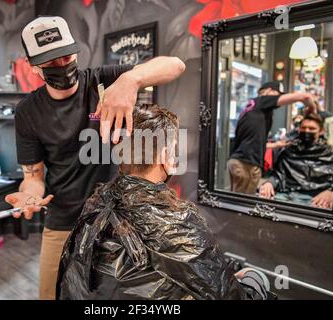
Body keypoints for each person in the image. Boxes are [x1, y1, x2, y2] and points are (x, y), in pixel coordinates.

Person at [4, 16, 186, 300]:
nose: (62, 65)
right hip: (63, 221)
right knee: (51, 294)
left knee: (113, 297)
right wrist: (28, 195)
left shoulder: (103, 81)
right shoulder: (28, 112)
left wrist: (131, 79)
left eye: (65, 56)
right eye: (50, 62)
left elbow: (176, 65)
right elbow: (33, 178)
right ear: (33, 66)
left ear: (75, 52)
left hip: (117, 218)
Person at [57, 104, 270, 300]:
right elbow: (227, 294)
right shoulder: (176, 223)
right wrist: (251, 280)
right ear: (166, 156)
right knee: (256, 277)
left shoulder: (96, 203)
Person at [227, 81, 317, 195]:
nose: (278, 99)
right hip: (247, 164)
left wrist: (276, 145)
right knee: (242, 206)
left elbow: (252, 141)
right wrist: (313, 109)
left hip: (237, 161)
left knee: (234, 202)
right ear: (269, 91)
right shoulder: (263, 100)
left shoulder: (251, 108)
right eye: (277, 94)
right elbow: (304, 96)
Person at [259, 113, 333, 209]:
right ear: (299, 129)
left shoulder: (330, 154)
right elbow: (279, 175)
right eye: (304, 128)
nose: (307, 131)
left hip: (316, 199)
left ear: (321, 131)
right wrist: (269, 183)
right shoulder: (290, 150)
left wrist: (332, 192)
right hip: (287, 196)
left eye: (312, 128)